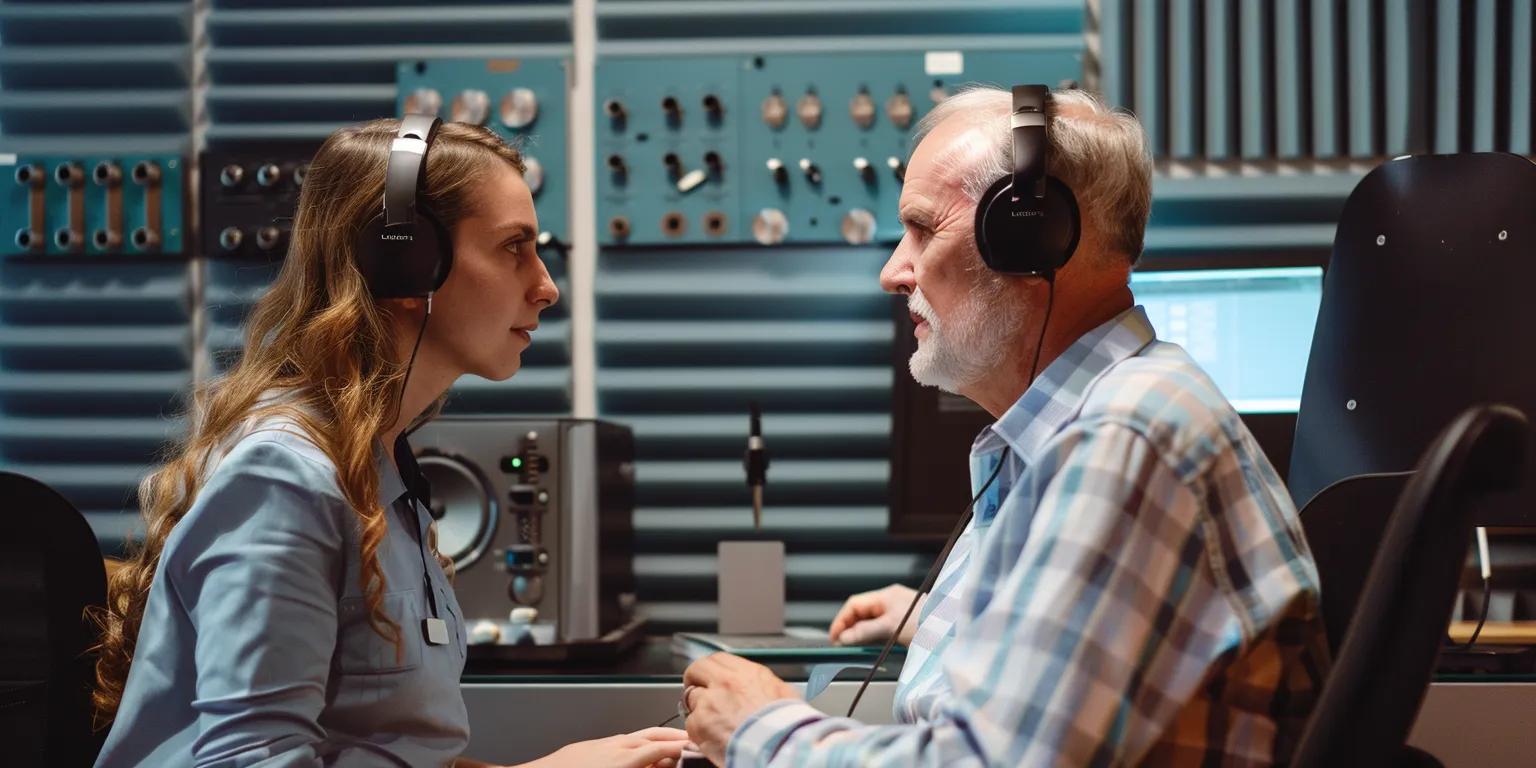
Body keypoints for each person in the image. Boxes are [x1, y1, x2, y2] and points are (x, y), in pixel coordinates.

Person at [680, 87, 1330, 766]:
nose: (892, 272)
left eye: (924, 228)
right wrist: (938, 618)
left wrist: (761, 726)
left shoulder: (1123, 441)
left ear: (1030, 238)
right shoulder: (1085, 424)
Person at [89, 117, 688, 768]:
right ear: (406, 261)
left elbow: (379, 751)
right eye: (514, 247)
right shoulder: (282, 477)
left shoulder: (381, 469)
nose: (546, 286)